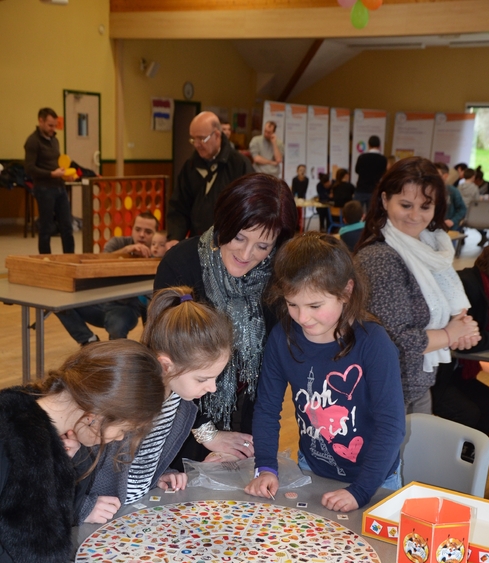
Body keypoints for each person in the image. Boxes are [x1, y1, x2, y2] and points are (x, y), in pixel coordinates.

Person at [0, 340, 165, 563]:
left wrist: (70, 461)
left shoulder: (59, 435)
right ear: (94, 415)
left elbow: (55, 510)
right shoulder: (8, 435)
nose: (120, 438)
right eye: (124, 429)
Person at [245, 233, 406, 512]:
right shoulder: (282, 337)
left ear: (346, 292)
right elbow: (267, 409)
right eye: (292, 304)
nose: (303, 317)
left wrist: (360, 491)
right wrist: (266, 467)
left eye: (315, 306)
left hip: (375, 479)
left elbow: (391, 426)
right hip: (313, 469)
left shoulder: (374, 343)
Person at [154, 173, 297, 461]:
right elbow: (168, 368)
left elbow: (271, 370)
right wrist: (207, 434)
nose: (246, 254)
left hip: (248, 417)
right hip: (182, 420)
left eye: (263, 246)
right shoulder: (181, 265)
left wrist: (257, 441)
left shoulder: (280, 277)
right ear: (224, 222)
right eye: (239, 237)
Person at [74, 287, 233, 523]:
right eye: (203, 379)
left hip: (132, 512)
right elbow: (66, 465)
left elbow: (143, 456)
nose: (213, 388)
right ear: (166, 365)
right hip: (95, 515)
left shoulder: (179, 403)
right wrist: (81, 507)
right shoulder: (123, 399)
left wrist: (157, 476)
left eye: (215, 378)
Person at [355, 157, 480, 414]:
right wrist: (450, 334)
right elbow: (394, 340)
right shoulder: (381, 258)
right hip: (385, 395)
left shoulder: (430, 246)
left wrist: (461, 328)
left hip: (415, 387)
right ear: (384, 200)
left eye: (425, 206)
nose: (415, 216)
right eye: (405, 204)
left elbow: (443, 307)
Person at [55, 211, 159, 345]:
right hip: (98, 302)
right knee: (59, 304)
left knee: (117, 327)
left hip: (125, 308)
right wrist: (126, 251)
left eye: (148, 232)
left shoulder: (158, 253)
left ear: (155, 234)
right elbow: (101, 264)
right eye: (138, 229)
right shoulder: (118, 242)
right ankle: (88, 341)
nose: (142, 235)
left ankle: (115, 353)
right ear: (132, 229)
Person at [432, 241, 489, 435]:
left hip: (457, 371)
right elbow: (465, 342)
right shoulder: (467, 286)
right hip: (438, 377)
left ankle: (474, 462)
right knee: (470, 414)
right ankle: (460, 462)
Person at [166, 112, 251, 250]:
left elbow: (249, 209)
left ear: (217, 135)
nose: (197, 145)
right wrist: (175, 237)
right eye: (193, 139)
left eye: (201, 139)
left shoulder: (239, 165)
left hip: (229, 247)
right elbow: (179, 207)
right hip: (198, 243)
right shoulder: (190, 166)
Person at [24, 107, 75, 255]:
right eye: (50, 125)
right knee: (46, 228)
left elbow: (57, 164)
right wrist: (51, 174)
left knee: (67, 226)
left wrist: (65, 175)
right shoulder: (32, 141)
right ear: (41, 121)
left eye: (55, 125)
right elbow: (29, 168)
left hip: (60, 188)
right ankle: (45, 261)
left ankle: (70, 258)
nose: (53, 129)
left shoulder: (55, 140)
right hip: (44, 189)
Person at [354, 135, 387, 210]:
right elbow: (383, 173)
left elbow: (357, 170)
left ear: (368, 145)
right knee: (371, 216)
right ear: (379, 146)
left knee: (356, 214)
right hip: (374, 191)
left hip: (361, 189)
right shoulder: (383, 159)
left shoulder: (362, 157)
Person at [434, 162, 466, 232]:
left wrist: (453, 220)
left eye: (436, 175)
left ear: (445, 176)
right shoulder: (429, 191)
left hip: (448, 229)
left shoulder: (453, 191)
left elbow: (462, 209)